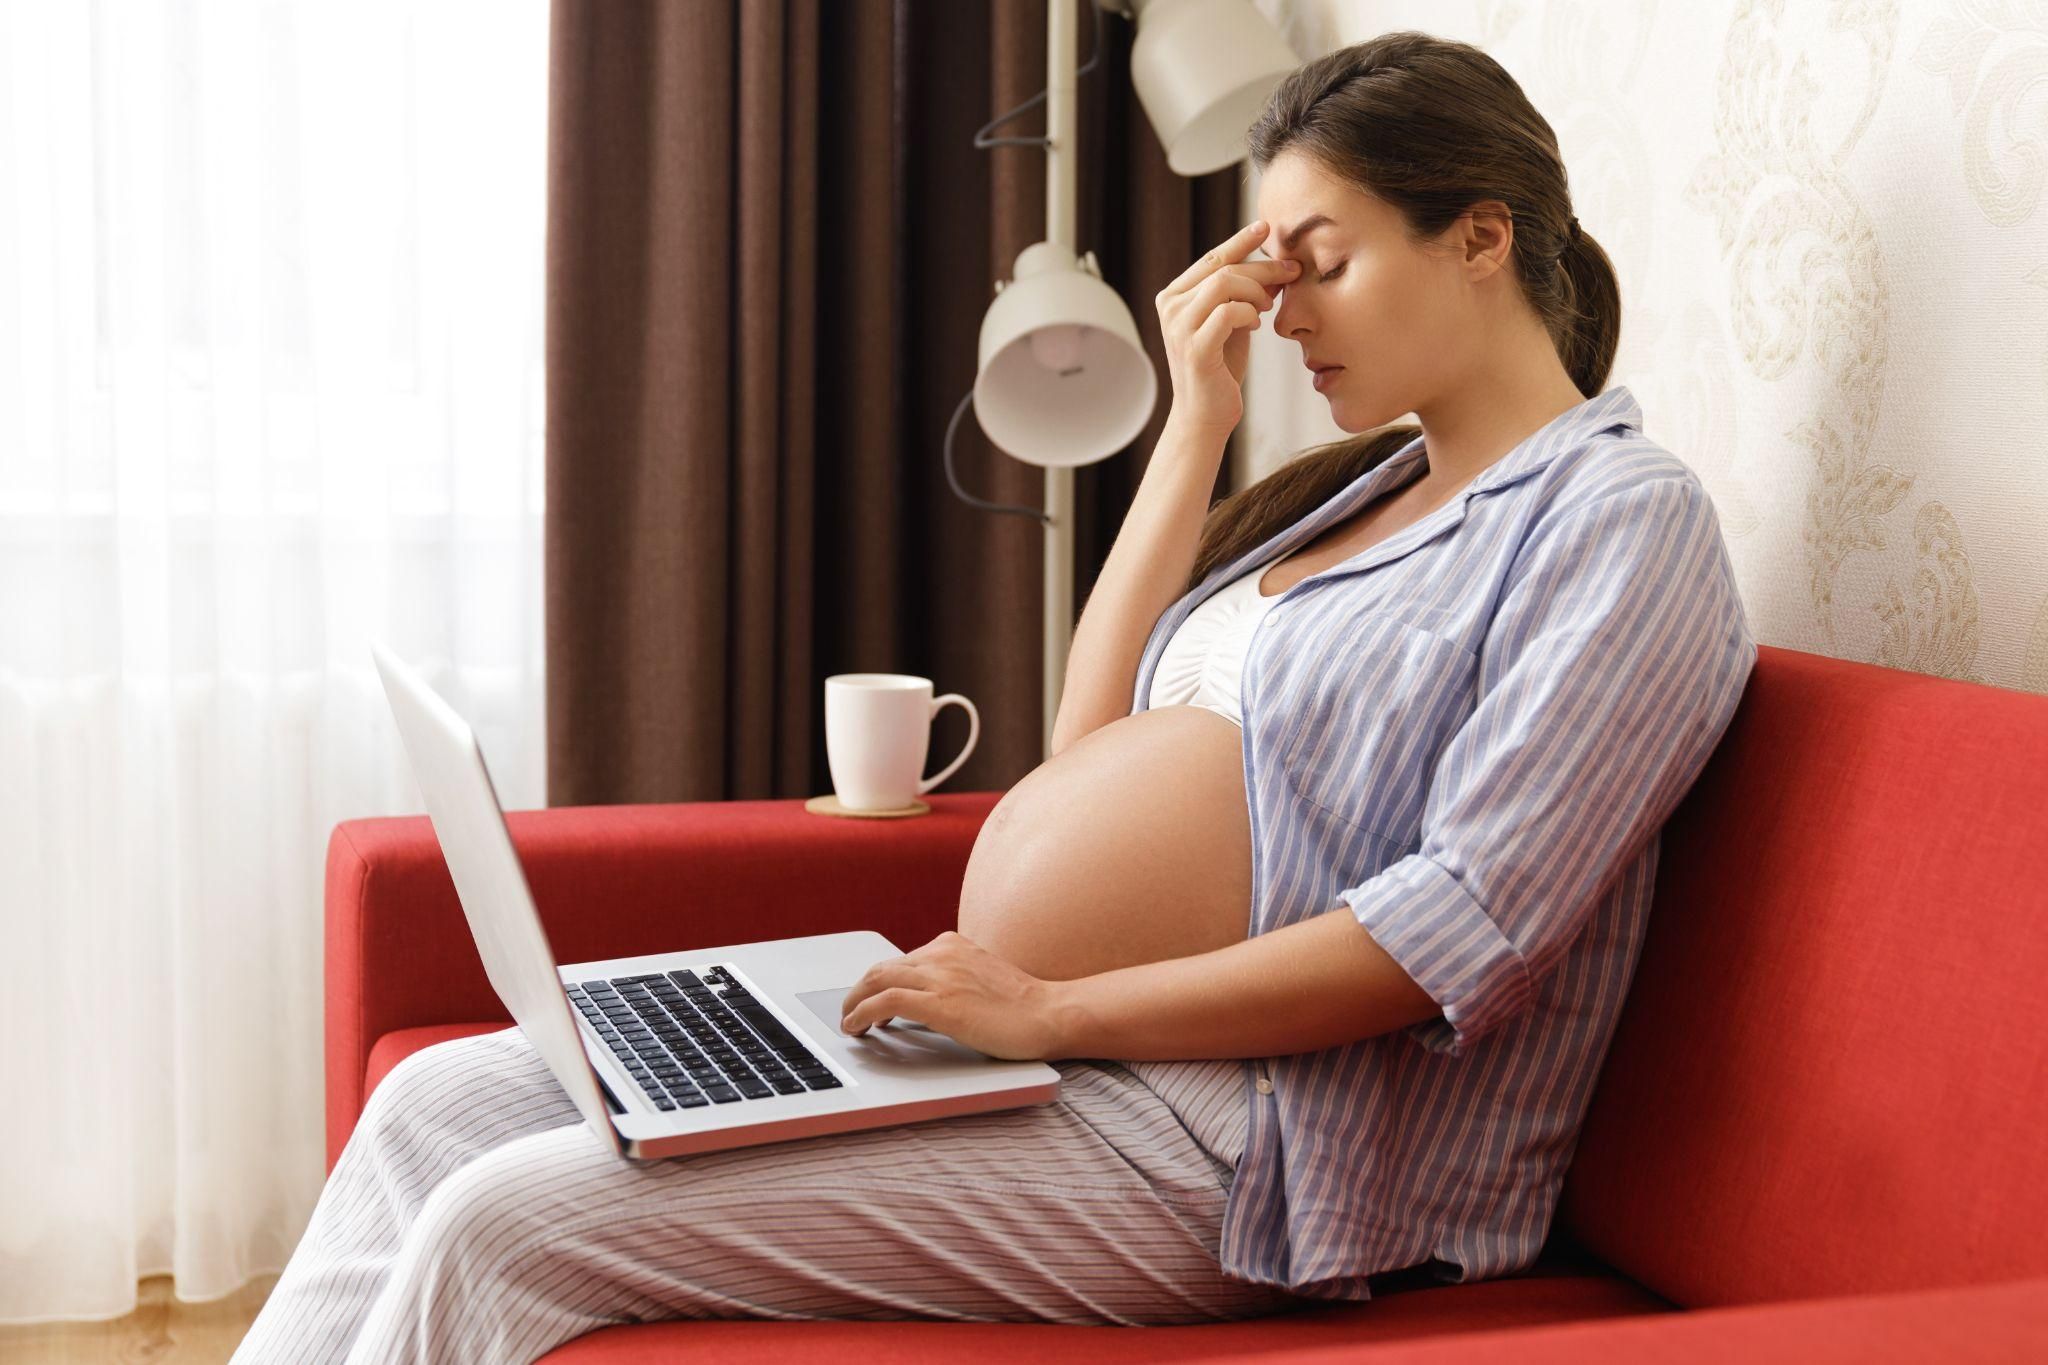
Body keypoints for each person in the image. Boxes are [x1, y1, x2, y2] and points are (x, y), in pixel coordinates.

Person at [234, 30, 1755, 1364]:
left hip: (1256, 1150)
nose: (1286, 313)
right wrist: (1193, 430)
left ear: (1481, 237)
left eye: (1325, 259)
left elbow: (1455, 929)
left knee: (507, 1223)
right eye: (1271, 269)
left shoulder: (1621, 522)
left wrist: (1049, 1004)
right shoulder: (1365, 490)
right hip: (1061, 1052)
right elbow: (1086, 757)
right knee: (439, 1104)